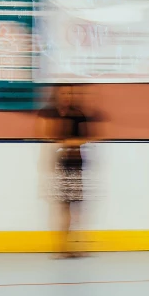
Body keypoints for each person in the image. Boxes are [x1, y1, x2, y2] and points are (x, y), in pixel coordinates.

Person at [37, 85, 92, 258]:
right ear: (57, 95)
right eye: (63, 93)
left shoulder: (77, 114)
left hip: (75, 165)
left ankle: (74, 245)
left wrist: (67, 142)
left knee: (75, 208)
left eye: (70, 93)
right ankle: (60, 246)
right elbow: (47, 136)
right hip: (58, 166)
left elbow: (84, 138)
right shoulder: (49, 113)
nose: (67, 96)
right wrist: (66, 143)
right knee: (61, 207)